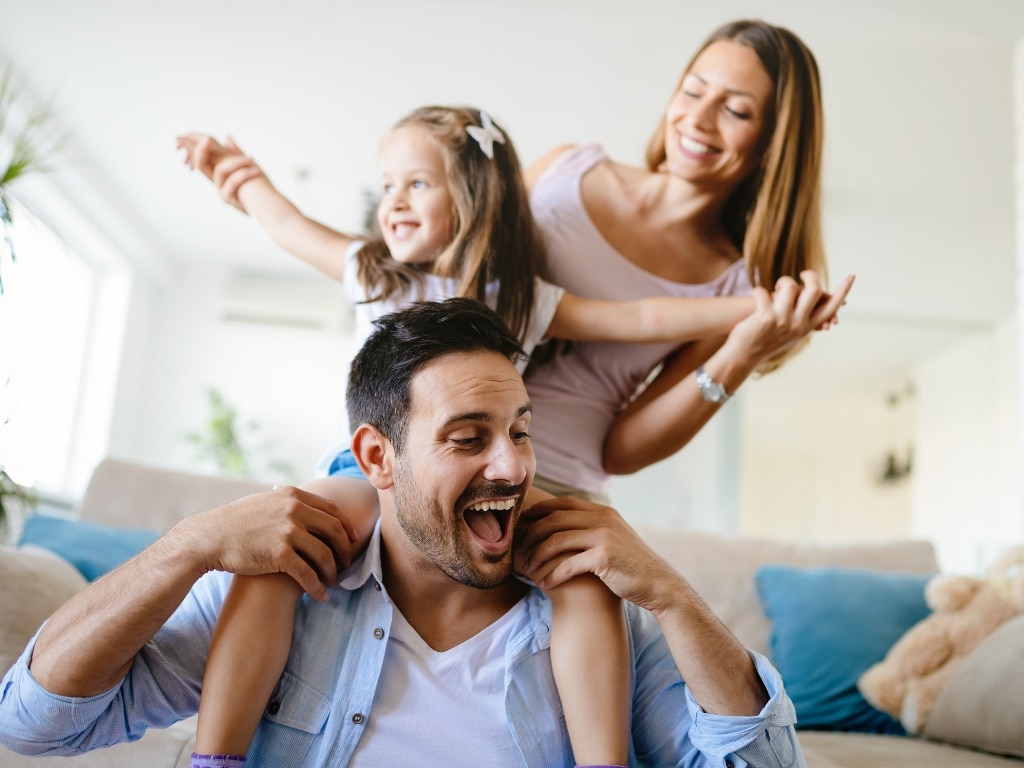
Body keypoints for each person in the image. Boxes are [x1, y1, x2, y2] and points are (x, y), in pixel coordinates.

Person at [175, 105, 819, 767]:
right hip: (370, 473)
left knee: (583, 577)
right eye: (387, 184)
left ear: (474, 197)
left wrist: (762, 308)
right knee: (278, 551)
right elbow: (288, 225)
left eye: (417, 184)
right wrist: (242, 178)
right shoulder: (375, 272)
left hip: (491, 479)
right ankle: (215, 758)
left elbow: (645, 315)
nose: (393, 200)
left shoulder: (523, 299)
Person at [0, 297, 806, 767]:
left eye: (520, 431)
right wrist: (186, 546)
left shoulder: (597, 605)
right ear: (376, 456)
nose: (512, 466)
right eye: (468, 437)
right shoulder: (288, 586)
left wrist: (671, 595)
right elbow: (33, 722)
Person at [521, 18, 851, 501]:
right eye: (693, 92)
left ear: (771, 145)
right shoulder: (562, 169)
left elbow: (622, 452)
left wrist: (743, 353)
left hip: (552, 485)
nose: (698, 119)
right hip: (436, 445)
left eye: (736, 111)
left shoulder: (733, 287)